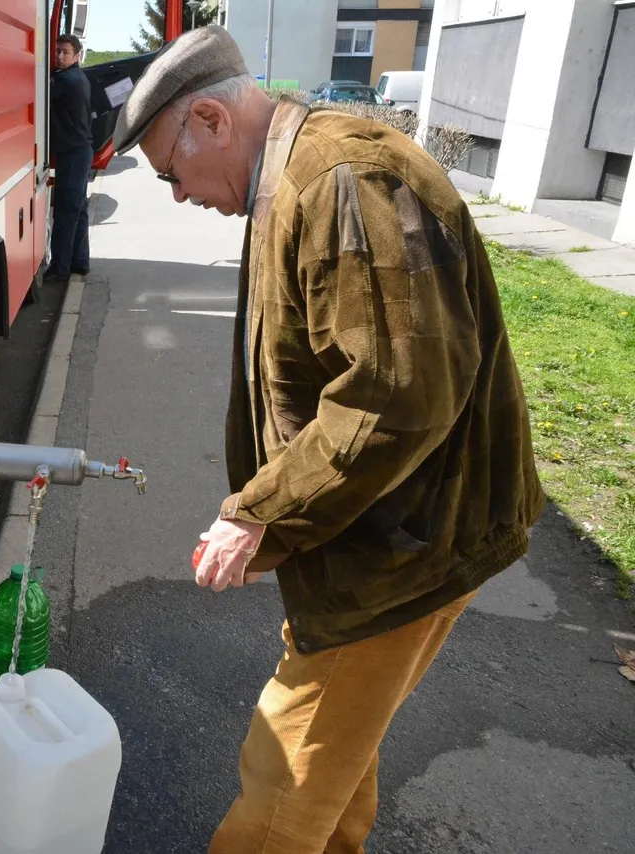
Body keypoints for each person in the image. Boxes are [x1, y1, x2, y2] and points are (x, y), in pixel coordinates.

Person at [113, 27, 544, 854]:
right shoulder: (305, 173)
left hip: (400, 550)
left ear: (209, 117)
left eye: (170, 173)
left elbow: (397, 395)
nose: (173, 196)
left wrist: (260, 512)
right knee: (334, 759)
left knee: (284, 777)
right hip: (373, 539)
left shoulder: (344, 180)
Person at [48, 33, 93, 284]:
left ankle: (59, 268)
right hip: (80, 151)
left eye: (64, 52)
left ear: (76, 56)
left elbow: (39, 92)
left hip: (73, 154)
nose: (59, 56)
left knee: (66, 210)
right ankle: (80, 262)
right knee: (79, 209)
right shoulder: (79, 77)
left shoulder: (67, 80)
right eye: (57, 51)